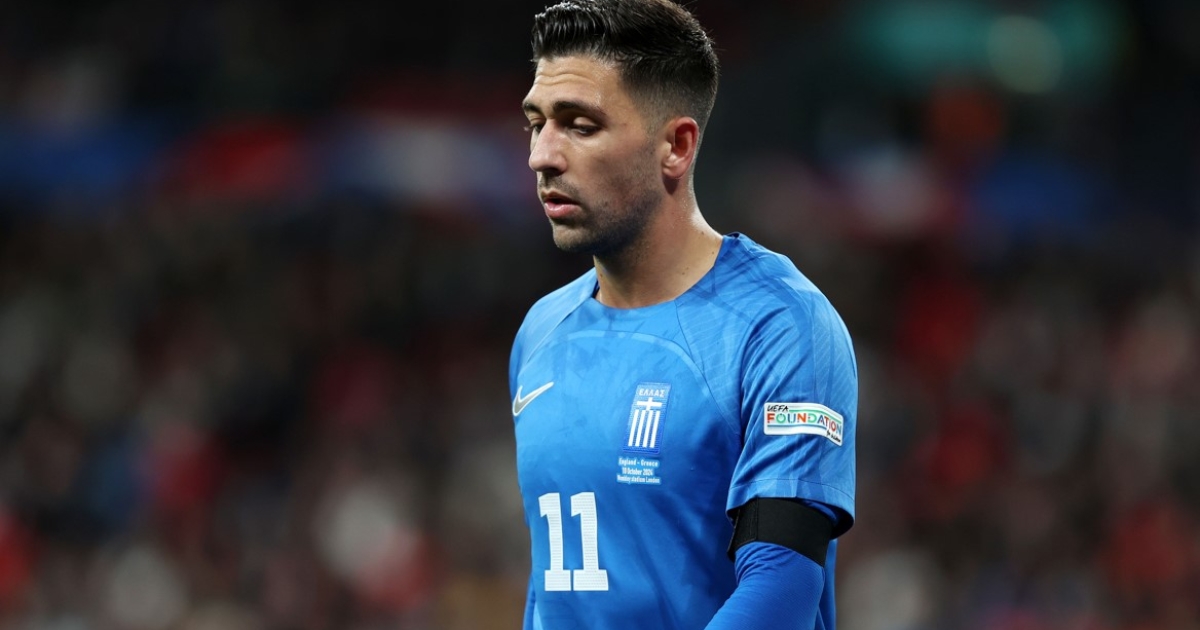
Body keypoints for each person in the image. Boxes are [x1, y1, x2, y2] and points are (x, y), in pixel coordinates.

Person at [509, 1, 857, 628]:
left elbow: (781, 585)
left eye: (579, 126)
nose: (542, 155)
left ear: (676, 145)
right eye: (537, 124)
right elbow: (552, 589)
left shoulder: (781, 326)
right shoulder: (540, 333)